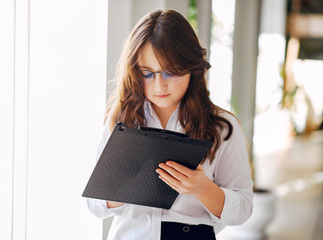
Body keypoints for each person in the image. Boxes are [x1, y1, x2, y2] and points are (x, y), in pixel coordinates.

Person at [86, 9, 253, 240]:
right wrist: (125, 186)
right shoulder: (121, 120)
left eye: (170, 73)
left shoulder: (222, 128)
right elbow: (94, 205)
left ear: (192, 69)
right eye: (147, 74)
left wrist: (202, 188)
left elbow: (243, 209)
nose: (159, 87)